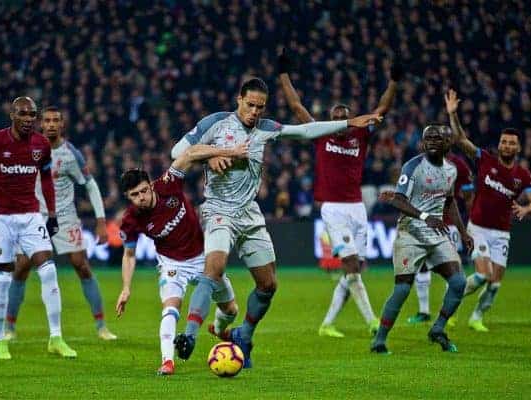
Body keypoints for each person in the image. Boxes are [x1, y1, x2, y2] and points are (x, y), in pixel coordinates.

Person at [171, 77, 381, 368]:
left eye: (260, 107)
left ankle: (244, 335)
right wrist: (213, 155)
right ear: (239, 100)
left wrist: (349, 124)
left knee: (268, 285)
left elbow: (307, 131)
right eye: (250, 105)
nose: (255, 112)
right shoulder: (216, 123)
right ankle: (189, 335)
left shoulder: (266, 129)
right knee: (215, 268)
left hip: (250, 214)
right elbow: (177, 152)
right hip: (218, 210)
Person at [277, 49, 401, 337]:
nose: (339, 121)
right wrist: (284, 74)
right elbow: (296, 106)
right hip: (333, 208)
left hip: (358, 208)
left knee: (355, 268)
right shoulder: (321, 133)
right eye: (335, 117)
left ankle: (327, 324)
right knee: (351, 266)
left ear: (351, 119)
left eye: (343, 117)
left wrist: (393, 82)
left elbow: (381, 110)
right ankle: (373, 321)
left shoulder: (360, 135)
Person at [114, 142, 249, 375]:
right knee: (170, 307)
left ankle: (218, 328)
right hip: (172, 263)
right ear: (128, 197)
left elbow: (189, 154)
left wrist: (229, 152)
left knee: (231, 310)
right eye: (134, 195)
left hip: (203, 258)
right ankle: (167, 361)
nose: (141, 198)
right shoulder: (131, 219)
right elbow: (129, 254)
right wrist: (126, 288)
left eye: (144, 191)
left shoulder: (168, 184)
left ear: (151, 185)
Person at [0, 97, 76, 359]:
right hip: (1, 218)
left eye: (32, 115)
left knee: (48, 270)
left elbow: (46, 178)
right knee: (2, 277)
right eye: (23, 114)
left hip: (31, 216)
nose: (28, 119)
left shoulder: (40, 145)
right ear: (12, 115)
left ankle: (56, 338)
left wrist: (53, 213)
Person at [5, 106, 117, 341]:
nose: (52, 124)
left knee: (81, 264)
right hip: (33, 216)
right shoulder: (28, 147)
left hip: (65, 216)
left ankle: (101, 326)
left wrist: (100, 221)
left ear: (62, 124)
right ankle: (9, 327)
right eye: (47, 120)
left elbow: (90, 184)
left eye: (56, 120)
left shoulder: (71, 154)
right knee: (22, 266)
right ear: (41, 124)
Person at [371, 123, 473, 354]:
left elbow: (449, 202)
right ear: (423, 142)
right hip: (410, 232)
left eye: (438, 138)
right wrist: (425, 216)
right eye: (429, 138)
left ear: (448, 143)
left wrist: (463, 231)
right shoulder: (413, 166)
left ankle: (437, 329)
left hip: (436, 233)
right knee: (402, 290)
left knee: (458, 283)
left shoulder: (451, 170)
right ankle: (379, 340)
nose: (433, 142)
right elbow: (397, 200)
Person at [445, 89, 531, 332]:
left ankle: (476, 317)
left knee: (495, 284)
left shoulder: (523, 176)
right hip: (478, 228)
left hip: (502, 234)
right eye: (504, 141)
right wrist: (453, 115)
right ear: (499, 144)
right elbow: (460, 139)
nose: (506, 145)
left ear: (517, 148)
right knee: (482, 275)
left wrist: (525, 208)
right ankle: (451, 303)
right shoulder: (485, 159)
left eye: (511, 143)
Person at [406, 150, 474, 324]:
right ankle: (423, 311)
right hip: (425, 222)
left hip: (448, 224)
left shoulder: (459, 165)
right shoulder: (420, 162)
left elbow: (468, 196)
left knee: (450, 268)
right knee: (420, 265)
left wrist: (468, 224)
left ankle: (448, 313)